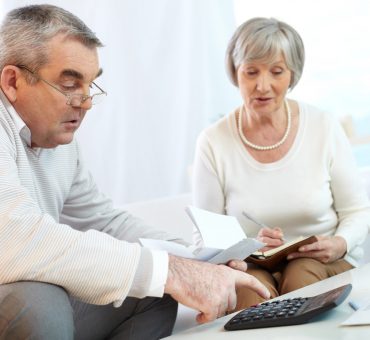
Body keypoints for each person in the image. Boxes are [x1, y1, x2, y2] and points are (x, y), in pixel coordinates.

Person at [0, 5, 271, 340]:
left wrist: (195, 261)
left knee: (150, 292)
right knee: (39, 302)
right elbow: (14, 239)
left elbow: (104, 220)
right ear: (12, 81)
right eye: (70, 84)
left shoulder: (59, 142)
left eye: (89, 86)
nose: (84, 103)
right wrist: (171, 271)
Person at [192, 17, 370, 311]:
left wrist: (341, 242)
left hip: (324, 261)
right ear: (236, 74)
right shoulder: (213, 141)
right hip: (252, 265)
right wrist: (247, 246)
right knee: (249, 297)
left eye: (276, 72)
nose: (263, 86)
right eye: (251, 72)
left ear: (292, 75)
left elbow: (357, 211)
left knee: (301, 280)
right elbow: (206, 233)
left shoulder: (323, 126)